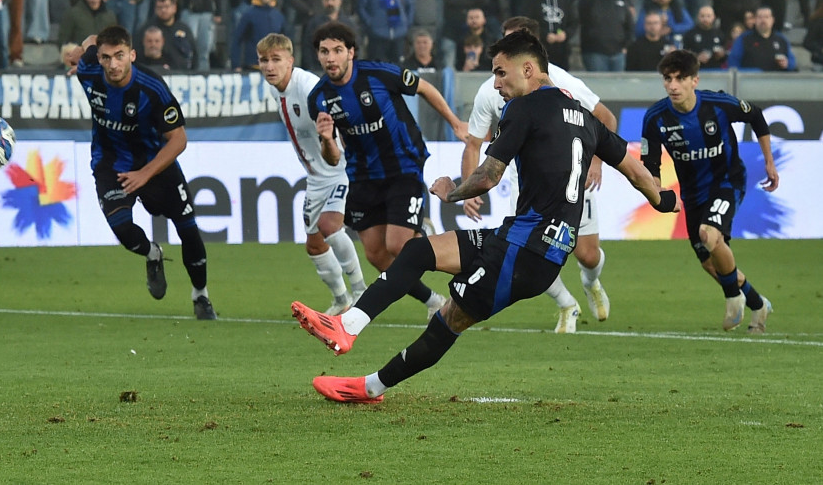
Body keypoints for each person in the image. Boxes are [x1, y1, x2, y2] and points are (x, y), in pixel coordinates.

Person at [291, 30, 679, 402]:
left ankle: (369, 385)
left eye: (500, 72)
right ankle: (348, 327)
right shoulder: (584, 117)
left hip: (524, 253)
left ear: (528, 69)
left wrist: (452, 193)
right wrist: (664, 202)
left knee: (449, 319)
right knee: (420, 252)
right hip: (529, 242)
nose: (496, 84)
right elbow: (635, 171)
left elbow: (488, 176)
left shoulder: (523, 108)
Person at [461, 16, 618, 333]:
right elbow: (473, 142)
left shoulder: (563, 81)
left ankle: (591, 282)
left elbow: (604, 117)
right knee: (528, 250)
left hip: (570, 178)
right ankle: (566, 304)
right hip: (528, 186)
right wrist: (469, 189)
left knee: (587, 255)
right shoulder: (489, 90)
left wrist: (598, 162)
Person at [306, 21, 466, 320]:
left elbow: (425, 88)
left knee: (397, 244)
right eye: (324, 51)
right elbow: (332, 158)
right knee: (376, 254)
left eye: (337, 50)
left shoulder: (379, 73)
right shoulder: (318, 99)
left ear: (350, 52)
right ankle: (433, 300)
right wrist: (327, 139)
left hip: (402, 166)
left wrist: (455, 123)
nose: (331, 58)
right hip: (363, 177)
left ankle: (425, 234)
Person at [65, 25, 217, 320]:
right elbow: (92, 41)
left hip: (155, 163)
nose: (113, 64)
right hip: (110, 163)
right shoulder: (89, 69)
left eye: (120, 56)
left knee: (188, 230)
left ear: (132, 55)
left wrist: (145, 175)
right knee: (122, 228)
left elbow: (179, 139)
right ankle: (152, 254)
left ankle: (201, 295)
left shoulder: (152, 88)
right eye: (106, 57)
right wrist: (81, 49)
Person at [642, 49, 778, 332]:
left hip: (727, 182)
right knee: (709, 263)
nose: (673, 85)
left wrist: (769, 161)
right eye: (668, 79)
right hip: (693, 196)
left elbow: (757, 116)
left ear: (694, 80)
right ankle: (758, 304)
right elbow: (650, 165)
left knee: (709, 235)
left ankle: (732, 298)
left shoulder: (717, 105)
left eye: (680, 79)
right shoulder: (655, 118)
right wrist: (659, 195)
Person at [256, 33, 367, 315]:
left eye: (276, 60)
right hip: (316, 176)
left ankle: (361, 293)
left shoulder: (307, 87)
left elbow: (339, 115)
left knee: (330, 226)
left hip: (339, 167)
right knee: (315, 245)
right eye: (264, 60)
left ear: (291, 61)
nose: (269, 66)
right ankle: (342, 300)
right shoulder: (275, 88)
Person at [726, 6, 797, 71]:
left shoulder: (781, 39)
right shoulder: (744, 39)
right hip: (751, 82)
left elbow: (792, 62)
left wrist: (787, 64)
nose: (763, 20)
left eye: (766, 17)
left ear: (772, 20)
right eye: (759, 17)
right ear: (754, 20)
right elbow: (733, 63)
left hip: (776, 82)